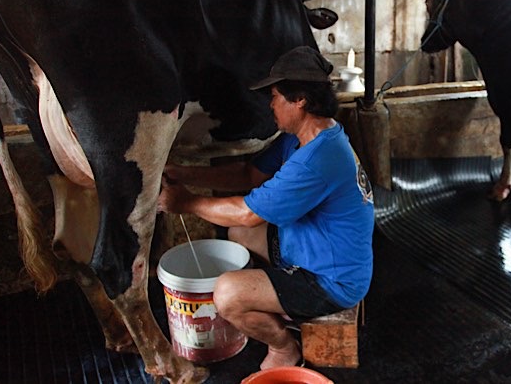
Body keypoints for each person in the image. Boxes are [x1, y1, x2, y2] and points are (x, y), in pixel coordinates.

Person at [158, 46, 374, 369]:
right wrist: (184, 172)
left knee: (226, 293)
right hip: (313, 249)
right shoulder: (303, 137)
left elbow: (248, 211)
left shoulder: (318, 159)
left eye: (275, 96)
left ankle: (284, 347)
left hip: (331, 280)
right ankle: (271, 303)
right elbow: (248, 174)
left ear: (299, 99)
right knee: (239, 233)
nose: (271, 104)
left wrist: (185, 202)